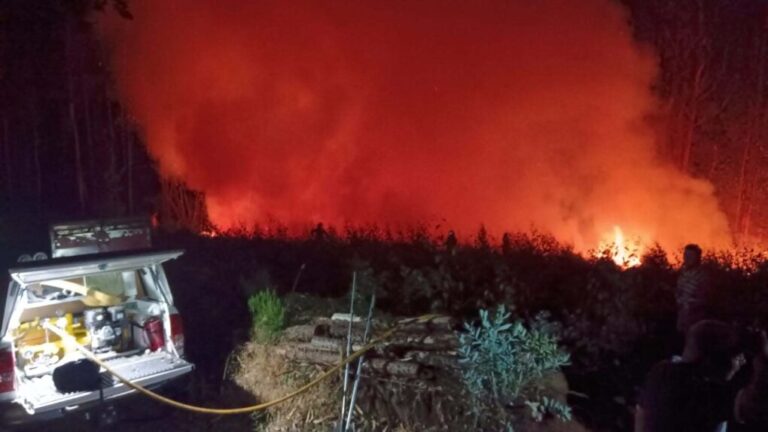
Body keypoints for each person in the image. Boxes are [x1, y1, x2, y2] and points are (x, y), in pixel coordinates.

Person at [635, 320, 746, 432]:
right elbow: (754, 404)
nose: (743, 361)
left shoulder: (661, 372)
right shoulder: (707, 395)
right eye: (736, 355)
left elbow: (641, 414)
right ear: (714, 359)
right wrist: (762, 359)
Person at [676, 244, 712, 334]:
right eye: (685, 255)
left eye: (690, 256)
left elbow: (706, 298)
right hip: (682, 318)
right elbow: (679, 292)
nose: (687, 258)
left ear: (697, 258)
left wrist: (691, 304)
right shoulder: (682, 274)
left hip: (696, 319)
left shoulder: (703, 276)